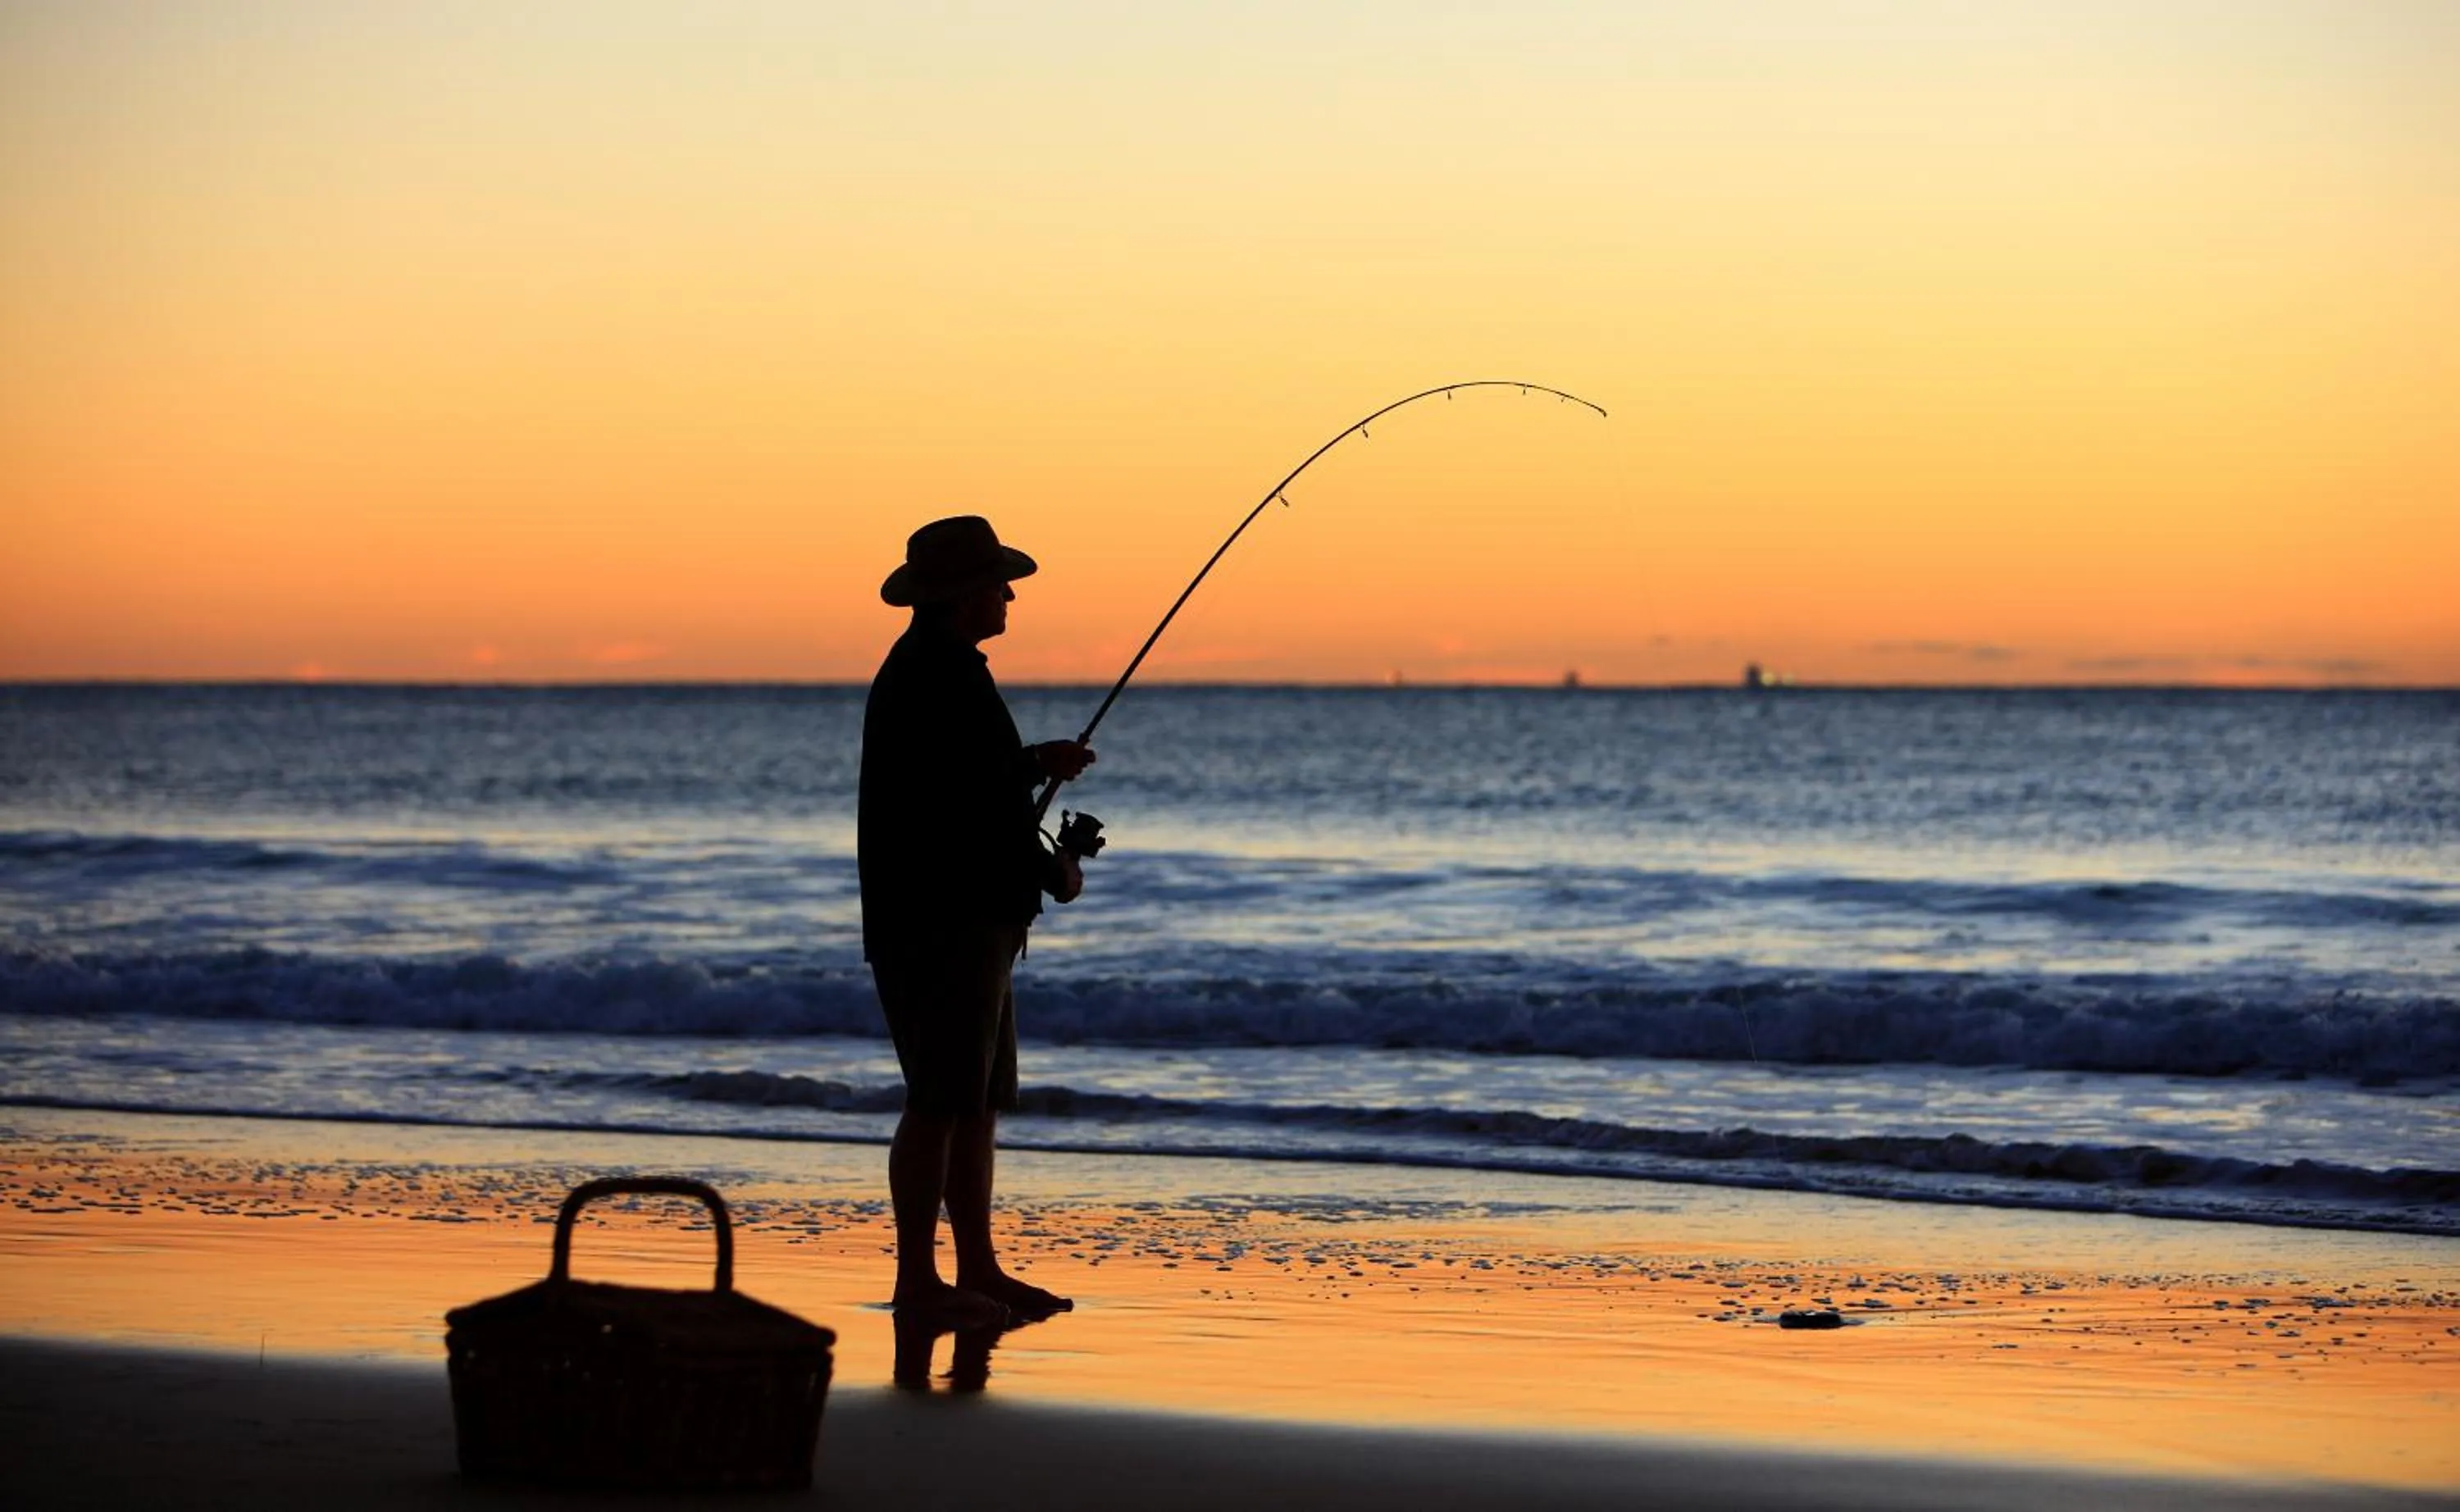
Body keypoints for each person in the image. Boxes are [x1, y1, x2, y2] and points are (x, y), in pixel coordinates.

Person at [859, 515, 1095, 1326]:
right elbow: (966, 804)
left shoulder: (943, 669)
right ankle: (920, 1279)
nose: (1008, 592)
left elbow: (977, 793)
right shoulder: (936, 673)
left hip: (967, 919)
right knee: (939, 1098)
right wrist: (1040, 800)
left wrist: (1037, 786)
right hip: (941, 923)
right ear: (962, 594)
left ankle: (978, 1268)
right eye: (997, 580)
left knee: (975, 1100)